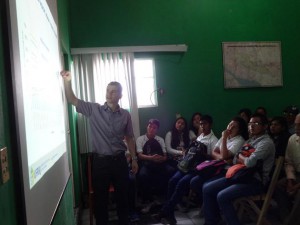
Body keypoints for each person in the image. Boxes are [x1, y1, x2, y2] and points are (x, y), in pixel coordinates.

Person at [60, 71, 138, 225]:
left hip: (119, 161)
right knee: (100, 200)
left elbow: (129, 137)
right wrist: (68, 81)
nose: (109, 93)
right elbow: (72, 99)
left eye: (113, 91)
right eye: (108, 90)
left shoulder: (125, 115)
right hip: (100, 163)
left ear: (120, 95)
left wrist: (134, 158)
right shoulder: (93, 109)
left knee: (122, 197)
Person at [202, 113, 275, 225]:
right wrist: (243, 157)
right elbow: (235, 159)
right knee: (207, 188)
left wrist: (242, 157)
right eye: (250, 123)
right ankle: (212, 221)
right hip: (240, 175)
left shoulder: (266, 143)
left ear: (265, 126)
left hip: (255, 181)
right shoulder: (250, 141)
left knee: (222, 196)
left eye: (256, 123)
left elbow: (249, 162)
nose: (251, 126)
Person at [154, 115, 218, 225]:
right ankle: (169, 213)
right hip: (188, 165)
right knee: (172, 181)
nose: (202, 126)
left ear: (210, 125)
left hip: (199, 168)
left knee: (181, 184)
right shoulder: (199, 136)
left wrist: (202, 154)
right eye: (201, 124)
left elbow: (213, 158)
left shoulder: (213, 139)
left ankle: (165, 211)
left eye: (205, 124)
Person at [190, 116, 248, 204]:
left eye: (234, 126)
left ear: (239, 130)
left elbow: (224, 155)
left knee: (206, 186)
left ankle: (210, 206)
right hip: (217, 166)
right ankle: (208, 204)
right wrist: (223, 158)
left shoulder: (239, 140)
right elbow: (214, 152)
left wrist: (224, 139)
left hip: (226, 170)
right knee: (194, 181)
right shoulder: (225, 136)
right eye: (230, 124)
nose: (230, 128)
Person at [136, 119, 175, 213]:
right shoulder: (140, 139)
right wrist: (151, 158)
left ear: (157, 129)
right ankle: (148, 200)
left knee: (171, 171)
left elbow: (165, 156)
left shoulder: (160, 139)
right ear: (147, 127)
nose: (151, 129)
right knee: (142, 175)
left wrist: (161, 159)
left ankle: (168, 197)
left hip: (159, 163)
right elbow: (140, 155)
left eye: (154, 127)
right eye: (150, 126)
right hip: (146, 163)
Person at [274, 113, 300, 224]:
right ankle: (285, 218)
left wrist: (297, 186)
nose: (297, 128)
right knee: (279, 185)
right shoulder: (292, 139)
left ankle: (291, 222)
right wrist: (290, 180)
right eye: (296, 125)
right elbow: (288, 162)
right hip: (297, 174)